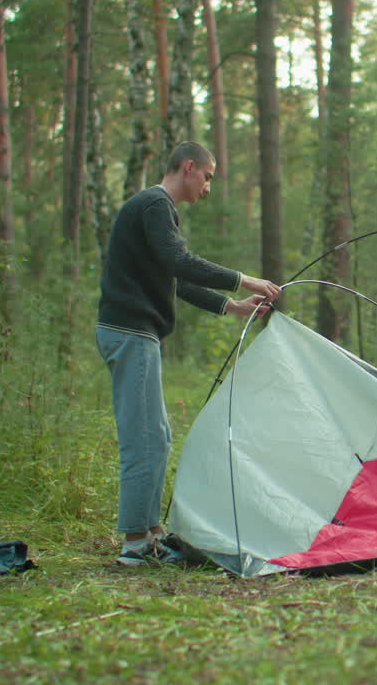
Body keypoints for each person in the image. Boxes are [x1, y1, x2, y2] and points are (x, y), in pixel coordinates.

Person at [96, 141, 282, 566]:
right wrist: (244, 279)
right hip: (129, 331)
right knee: (143, 440)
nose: (209, 187)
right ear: (189, 166)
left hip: (136, 333)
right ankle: (135, 545)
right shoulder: (154, 205)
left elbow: (171, 279)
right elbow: (179, 262)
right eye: (209, 177)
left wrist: (232, 307)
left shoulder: (152, 208)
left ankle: (151, 534)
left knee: (157, 436)